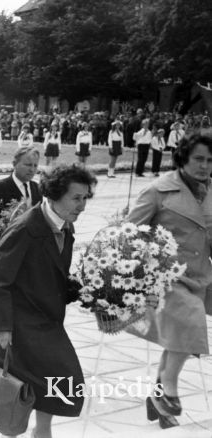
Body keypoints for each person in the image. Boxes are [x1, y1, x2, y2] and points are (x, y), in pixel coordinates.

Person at [0, 164, 97, 438]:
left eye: (85, 198)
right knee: (49, 379)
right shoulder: (26, 228)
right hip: (18, 321)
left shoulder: (64, 226)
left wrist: (88, 292)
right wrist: (0, 327)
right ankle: (19, 429)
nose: (82, 206)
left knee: (51, 380)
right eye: (76, 198)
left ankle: (41, 431)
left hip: (46, 318)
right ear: (55, 194)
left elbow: (52, 274)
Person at [127, 133, 212, 430]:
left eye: (210, 160)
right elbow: (130, 233)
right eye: (199, 159)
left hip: (200, 274)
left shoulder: (211, 191)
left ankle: (158, 399)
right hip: (166, 276)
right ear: (183, 159)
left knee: (180, 335)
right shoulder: (157, 191)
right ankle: (169, 387)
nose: (205, 166)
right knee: (191, 321)